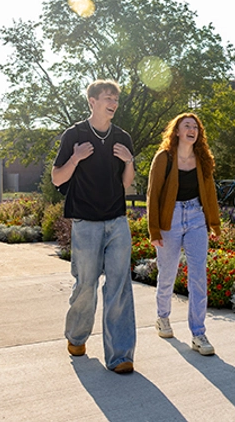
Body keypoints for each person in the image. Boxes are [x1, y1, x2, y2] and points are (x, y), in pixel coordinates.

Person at [52, 79, 136, 374]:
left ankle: (120, 355)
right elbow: (57, 179)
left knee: (119, 286)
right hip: (85, 222)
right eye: (107, 98)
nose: (113, 103)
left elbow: (126, 184)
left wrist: (129, 162)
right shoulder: (74, 135)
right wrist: (76, 157)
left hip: (116, 221)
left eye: (115, 98)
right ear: (92, 101)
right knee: (86, 284)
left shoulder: (123, 137)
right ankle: (76, 336)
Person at [146, 112, 221, 355]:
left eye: (195, 127)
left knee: (198, 276)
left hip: (196, 218)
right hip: (171, 219)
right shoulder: (163, 158)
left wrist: (214, 224)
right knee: (167, 273)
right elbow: (152, 194)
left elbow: (209, 194)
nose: (192, 129)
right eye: (186, 125)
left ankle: (198, 333)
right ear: (177, 131)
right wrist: (154, 229)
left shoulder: (203, 159)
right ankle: (162, 317)